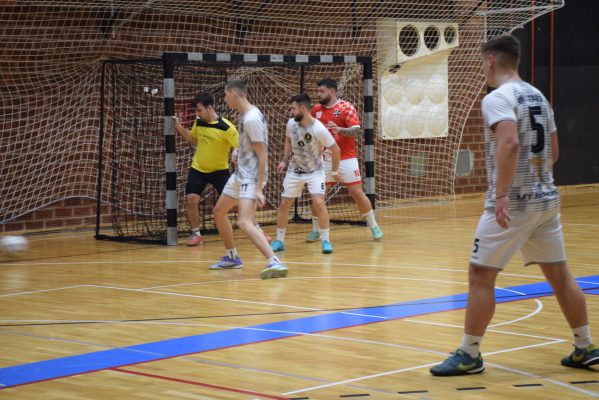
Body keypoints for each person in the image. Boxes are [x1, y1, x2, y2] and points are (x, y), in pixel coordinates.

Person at [430, 34, 598, 376]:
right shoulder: (539, 96)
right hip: (546, 201)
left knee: (480, 274)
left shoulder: (497, 98)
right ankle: (585, 347)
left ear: (491, 60)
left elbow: (509, 143)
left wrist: (503, 194)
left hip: (514, 205)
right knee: (559, 274)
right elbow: (553, 153)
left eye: (482, 62)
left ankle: (469, 354)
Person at [210, 79, 288, 279]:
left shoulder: (251, 118)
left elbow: (263, 154)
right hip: (240, 175)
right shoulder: (247, 114)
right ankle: (232, 258)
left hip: (250, 178)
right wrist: (238, 150)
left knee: (245, 222)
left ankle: (274, 261)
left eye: (226, 95)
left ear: (234, 94)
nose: (225, 99)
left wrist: (259, 187)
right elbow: (251, 144)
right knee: (219, 212)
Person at [306, 78, 383, 242]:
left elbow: (356, 130)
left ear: (332, 91)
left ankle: (374, 226)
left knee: (356, 192)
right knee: (318, 195)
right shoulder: (315, 110)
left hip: (346, 158)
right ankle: (315, 230)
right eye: (317, 91)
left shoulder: (346, 107)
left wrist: (339, 129)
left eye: (322, 91)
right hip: (324, 159)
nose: (318, 94)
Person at [271, 94, 341, 254]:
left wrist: (335, 171)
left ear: (303, 108)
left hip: (315, 171)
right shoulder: (291, 123)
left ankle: (326, 241)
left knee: (318, 202)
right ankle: (279, 241)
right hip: (295, 170)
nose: (291, 112)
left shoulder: (318, 128)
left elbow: (335, 149)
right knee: (284, 204)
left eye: (293, 108)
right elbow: (288, 140)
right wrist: (284, 160)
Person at [173, 93, 238, 246]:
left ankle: (256, 229)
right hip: (198, 169)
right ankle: (196, 234)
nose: (197, 114)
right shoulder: (199, 122)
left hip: (219, 171)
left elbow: (239, 145)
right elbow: (193, 139)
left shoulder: (227, 127)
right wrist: (178, 127)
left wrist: (236, 151)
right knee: (191, 200)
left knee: (236, 203)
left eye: (199, 110)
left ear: (210, 108)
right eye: (196, 111)